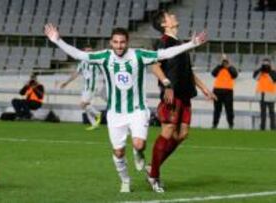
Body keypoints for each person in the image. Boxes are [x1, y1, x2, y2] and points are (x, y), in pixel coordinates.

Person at [44, 23, 207, 192]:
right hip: (115, 113)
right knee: (119, 152)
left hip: (137, 110)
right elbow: (79, 54)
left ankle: (139, 153)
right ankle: (125, 180)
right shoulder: (104, 57)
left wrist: (191, 44)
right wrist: (57, 40)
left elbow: (164, 53)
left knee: (139, 144)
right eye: (115, 42)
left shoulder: (138, 55)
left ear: (127, 42)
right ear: (110, 43)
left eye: (122, 42)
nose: (119, 45)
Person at [147, 10, 216, 193]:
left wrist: (204, 88)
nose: (174, 16)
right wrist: (166, 83)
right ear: (164, 24)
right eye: (169, 15)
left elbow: (188, 71)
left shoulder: (179, 44)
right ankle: (154, 175)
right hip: (172, 94)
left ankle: (152, 167)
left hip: (185, 95)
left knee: (182, 134)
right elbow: (154, 65)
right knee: (168, 131)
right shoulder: (163, 42)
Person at [60, 45, 102, 130]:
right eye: (87, 51)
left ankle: (98, 114)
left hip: (92, 85)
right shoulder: (82, 63)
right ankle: (94, 124)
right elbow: (76, 74)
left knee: (83, 104)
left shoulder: (96, 61)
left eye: (90, 50)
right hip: (85, 87)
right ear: (84, 52)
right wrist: (66, 82)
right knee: (85, 106)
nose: (89, 52)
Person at [211, 55, 238, 129]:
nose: (224, 63)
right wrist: (219, 65)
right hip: (217, 90)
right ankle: (214, 124)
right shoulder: (218, 68)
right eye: (223, 61)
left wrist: (228, 67)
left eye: (226, 61)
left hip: (228, 91)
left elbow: (235, 75)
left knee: (229, 109)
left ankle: (231, 124)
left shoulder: (231, 68)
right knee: (217, 109)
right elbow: (213, 74)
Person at [253, 58, 276, 130]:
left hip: (270, 95)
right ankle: (262, 127)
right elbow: (255, 77)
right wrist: (260, 69)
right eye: (264, 64)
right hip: (262, 95)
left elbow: (273, 80)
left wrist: (269, 71)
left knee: (271, 112)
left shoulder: (273, 72)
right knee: (263, 113)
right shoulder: (261, 72)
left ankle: (273, 128)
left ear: (270, 64)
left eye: (267, 64)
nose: (265, 66)